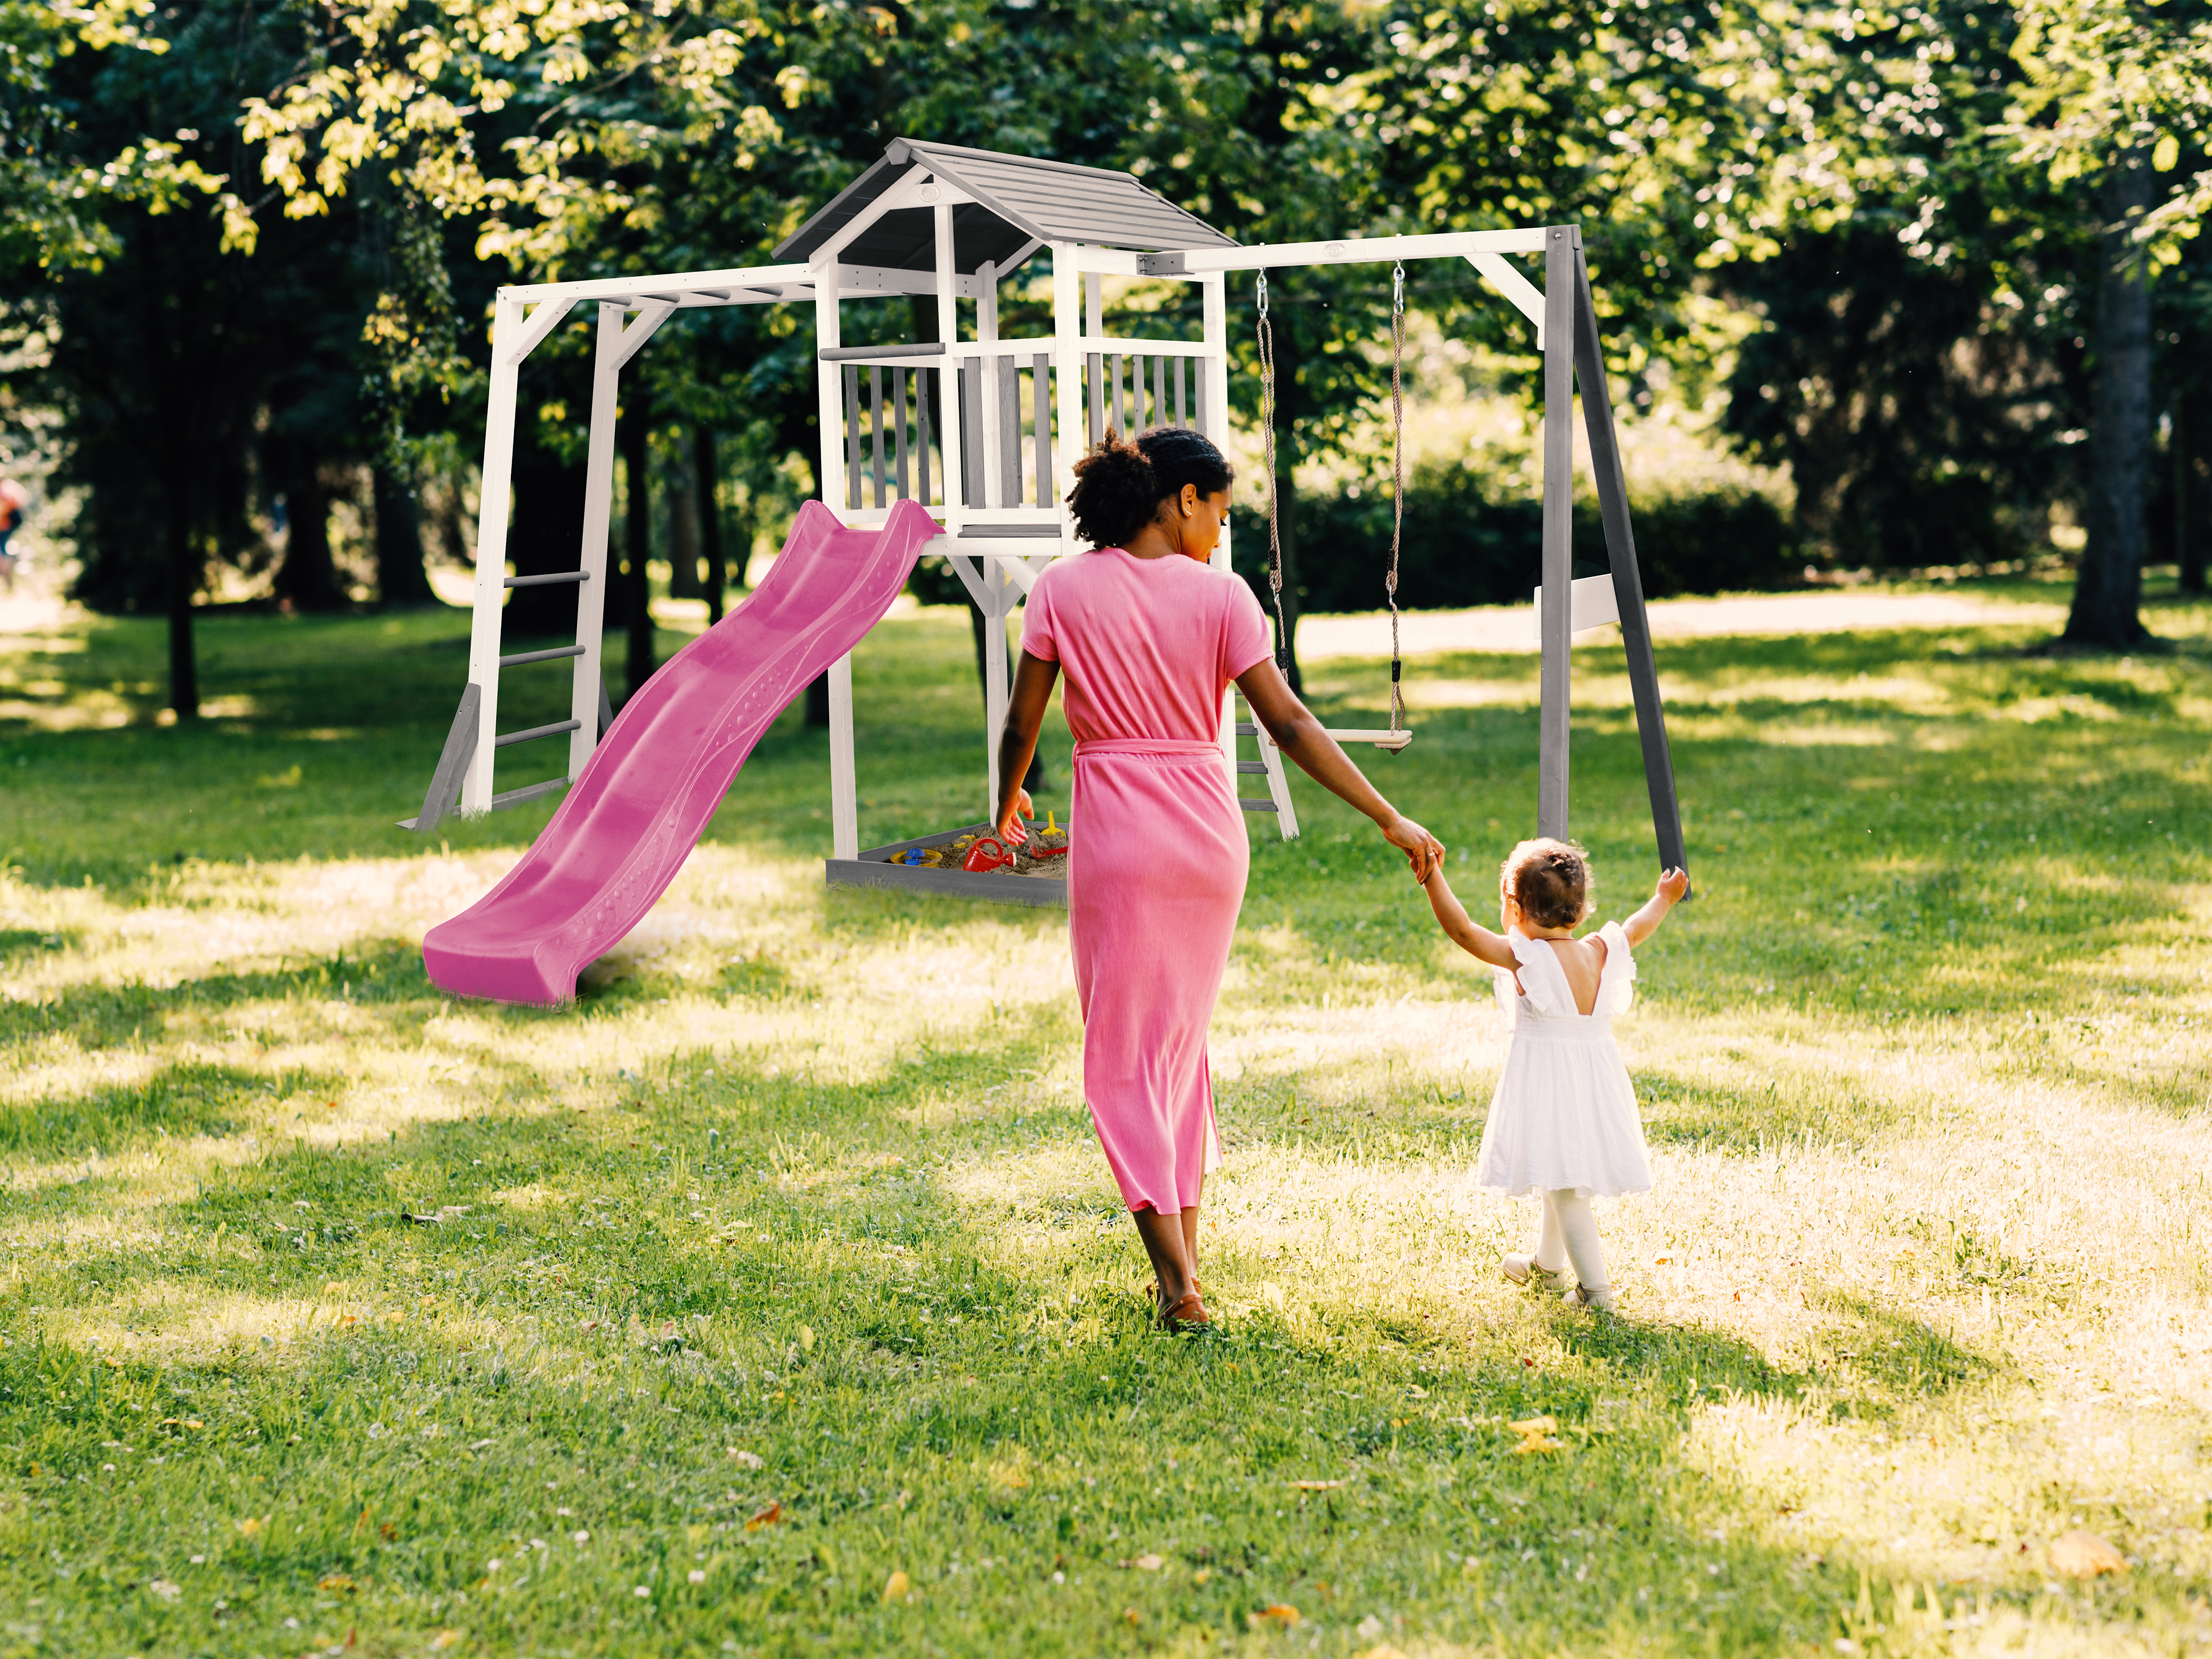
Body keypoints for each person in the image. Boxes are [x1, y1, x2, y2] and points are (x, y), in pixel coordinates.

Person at [994, 427, 1444, 1332]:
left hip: (1120, 838)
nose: (1221, 534)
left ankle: (1175, 1286)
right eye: (1222, 514)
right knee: (1175, 1052)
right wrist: (1385, 813)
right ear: (1184, 499)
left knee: (1124, 1059)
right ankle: (1185, 1268)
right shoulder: (1224, 598)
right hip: (1207, 839)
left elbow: (1022, 724)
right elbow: (1290, 724)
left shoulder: (1060, 589)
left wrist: (1003, 807)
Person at [1418, 838, 1689, 1311]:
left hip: (1550, 1083)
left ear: (1515, 908)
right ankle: (1547, 1267)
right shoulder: (1598, 951)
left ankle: (1596, 1292)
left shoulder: (1527, 958)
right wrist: (1663, 899)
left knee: (1565, 1187)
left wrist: (1431, 875)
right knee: (1555, 1168)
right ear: (1580, 912)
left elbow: (1462, 931)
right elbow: (1635, 927)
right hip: (1594, 1080)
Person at [0, 478, 27, 595]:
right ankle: (7, 575)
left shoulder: (4, 491)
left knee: (2, 549)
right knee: (3, 549)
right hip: (11, 522)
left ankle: (6, 573)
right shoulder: (8, 486)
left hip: (8, 523)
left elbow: (5, 509)